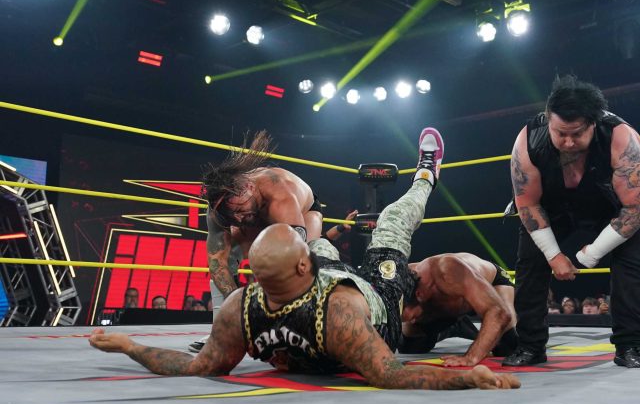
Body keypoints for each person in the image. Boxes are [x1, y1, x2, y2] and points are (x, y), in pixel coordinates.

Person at [90, 128, 521, 390]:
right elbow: (392, 375)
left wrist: (131, 346)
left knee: (359, 231)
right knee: (378, 229)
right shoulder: (327, 313)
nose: (239, 221)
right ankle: (422, 178)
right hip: (372, 295)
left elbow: (193, 367)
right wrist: (465, 377)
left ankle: (427, 173)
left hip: (339, 273)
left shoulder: (244, 306)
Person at [505, 75, 640, 368]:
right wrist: (554, 255)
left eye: (577, 134)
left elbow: (637, 207)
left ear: (593, 123)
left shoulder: (620, 138)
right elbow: (528, 203)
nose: (568, 142)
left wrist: (594, 252)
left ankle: (631, 346)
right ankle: (530, 346)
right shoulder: (528, 140)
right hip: (553, 206)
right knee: (530, 260)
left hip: (607, 206)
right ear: (549, 119)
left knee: (635, 252)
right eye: (560, 133)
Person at [189, 132, 324, 353]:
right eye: (232, 216)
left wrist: (266, 309)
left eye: (240, 210)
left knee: (310, 258)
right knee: (226, 256)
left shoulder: (280, 196)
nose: (238, 219)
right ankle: (221, 329)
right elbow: (217, 263)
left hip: (305, 211)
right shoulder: (219, 212)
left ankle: (303, 327)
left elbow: (293, 259)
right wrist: (237, 308)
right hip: (259, 215)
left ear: (250, 188)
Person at [398, 253, 518, 367]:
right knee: (410, 347)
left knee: (507, 346)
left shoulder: (448, 271)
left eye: (414, 317)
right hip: (448, 303)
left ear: (419, 295)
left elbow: (499, 313)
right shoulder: (398, 282)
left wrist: (471, 357)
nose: (413, 321)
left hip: (491, 284)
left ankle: (456, 324)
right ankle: (453, 327)